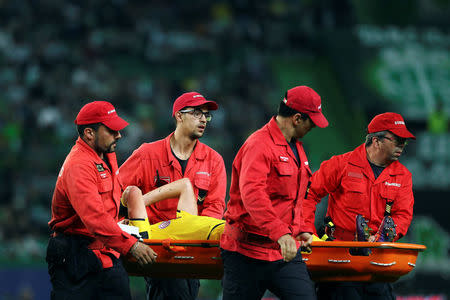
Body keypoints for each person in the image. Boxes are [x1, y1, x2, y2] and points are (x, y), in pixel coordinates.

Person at [220, 86, 329, 300]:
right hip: (246, 252)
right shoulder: (259, 145)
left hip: (283, 252)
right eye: (312, 121)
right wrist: (281, 233)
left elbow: (296, 198)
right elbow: (253, 194)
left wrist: (302, 229)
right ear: (297, 118)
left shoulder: (295, 146)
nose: (314, 127)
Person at [120, 92, 227, 300]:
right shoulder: (148, 154)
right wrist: (124, 227)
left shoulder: (214, 161)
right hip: (157, 249)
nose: (204, 119)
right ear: (179, 116)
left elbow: (214, 210)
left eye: (206, 115)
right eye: (197, 113)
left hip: (193, 251)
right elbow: (116, 191)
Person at [46, 101, 157, 299]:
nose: (119, 135)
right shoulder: (79, 165)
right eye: (112, 130)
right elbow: (95, 217)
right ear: (89, 133)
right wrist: (131, 245)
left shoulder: (103, 155)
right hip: (76, 261)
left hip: (106, 254)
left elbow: (110, 206)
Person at [302, 112, 416, 300]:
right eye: (397, 139)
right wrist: (307, 231)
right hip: (339, 264)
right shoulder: (340, 165)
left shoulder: (403, 176)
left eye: (404, 140)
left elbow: (402, 215)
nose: (402, 144)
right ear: (376, 140)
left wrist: (380, 237)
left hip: (377, 265)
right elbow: (308, 194)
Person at [120, 178, 224, 241]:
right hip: (221, 232)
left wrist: (126, 208)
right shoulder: (143, 236)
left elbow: (185, 184)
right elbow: (133, 192)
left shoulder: (144, 233)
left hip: (211, 228)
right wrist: (131, 204)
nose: (124, 222)